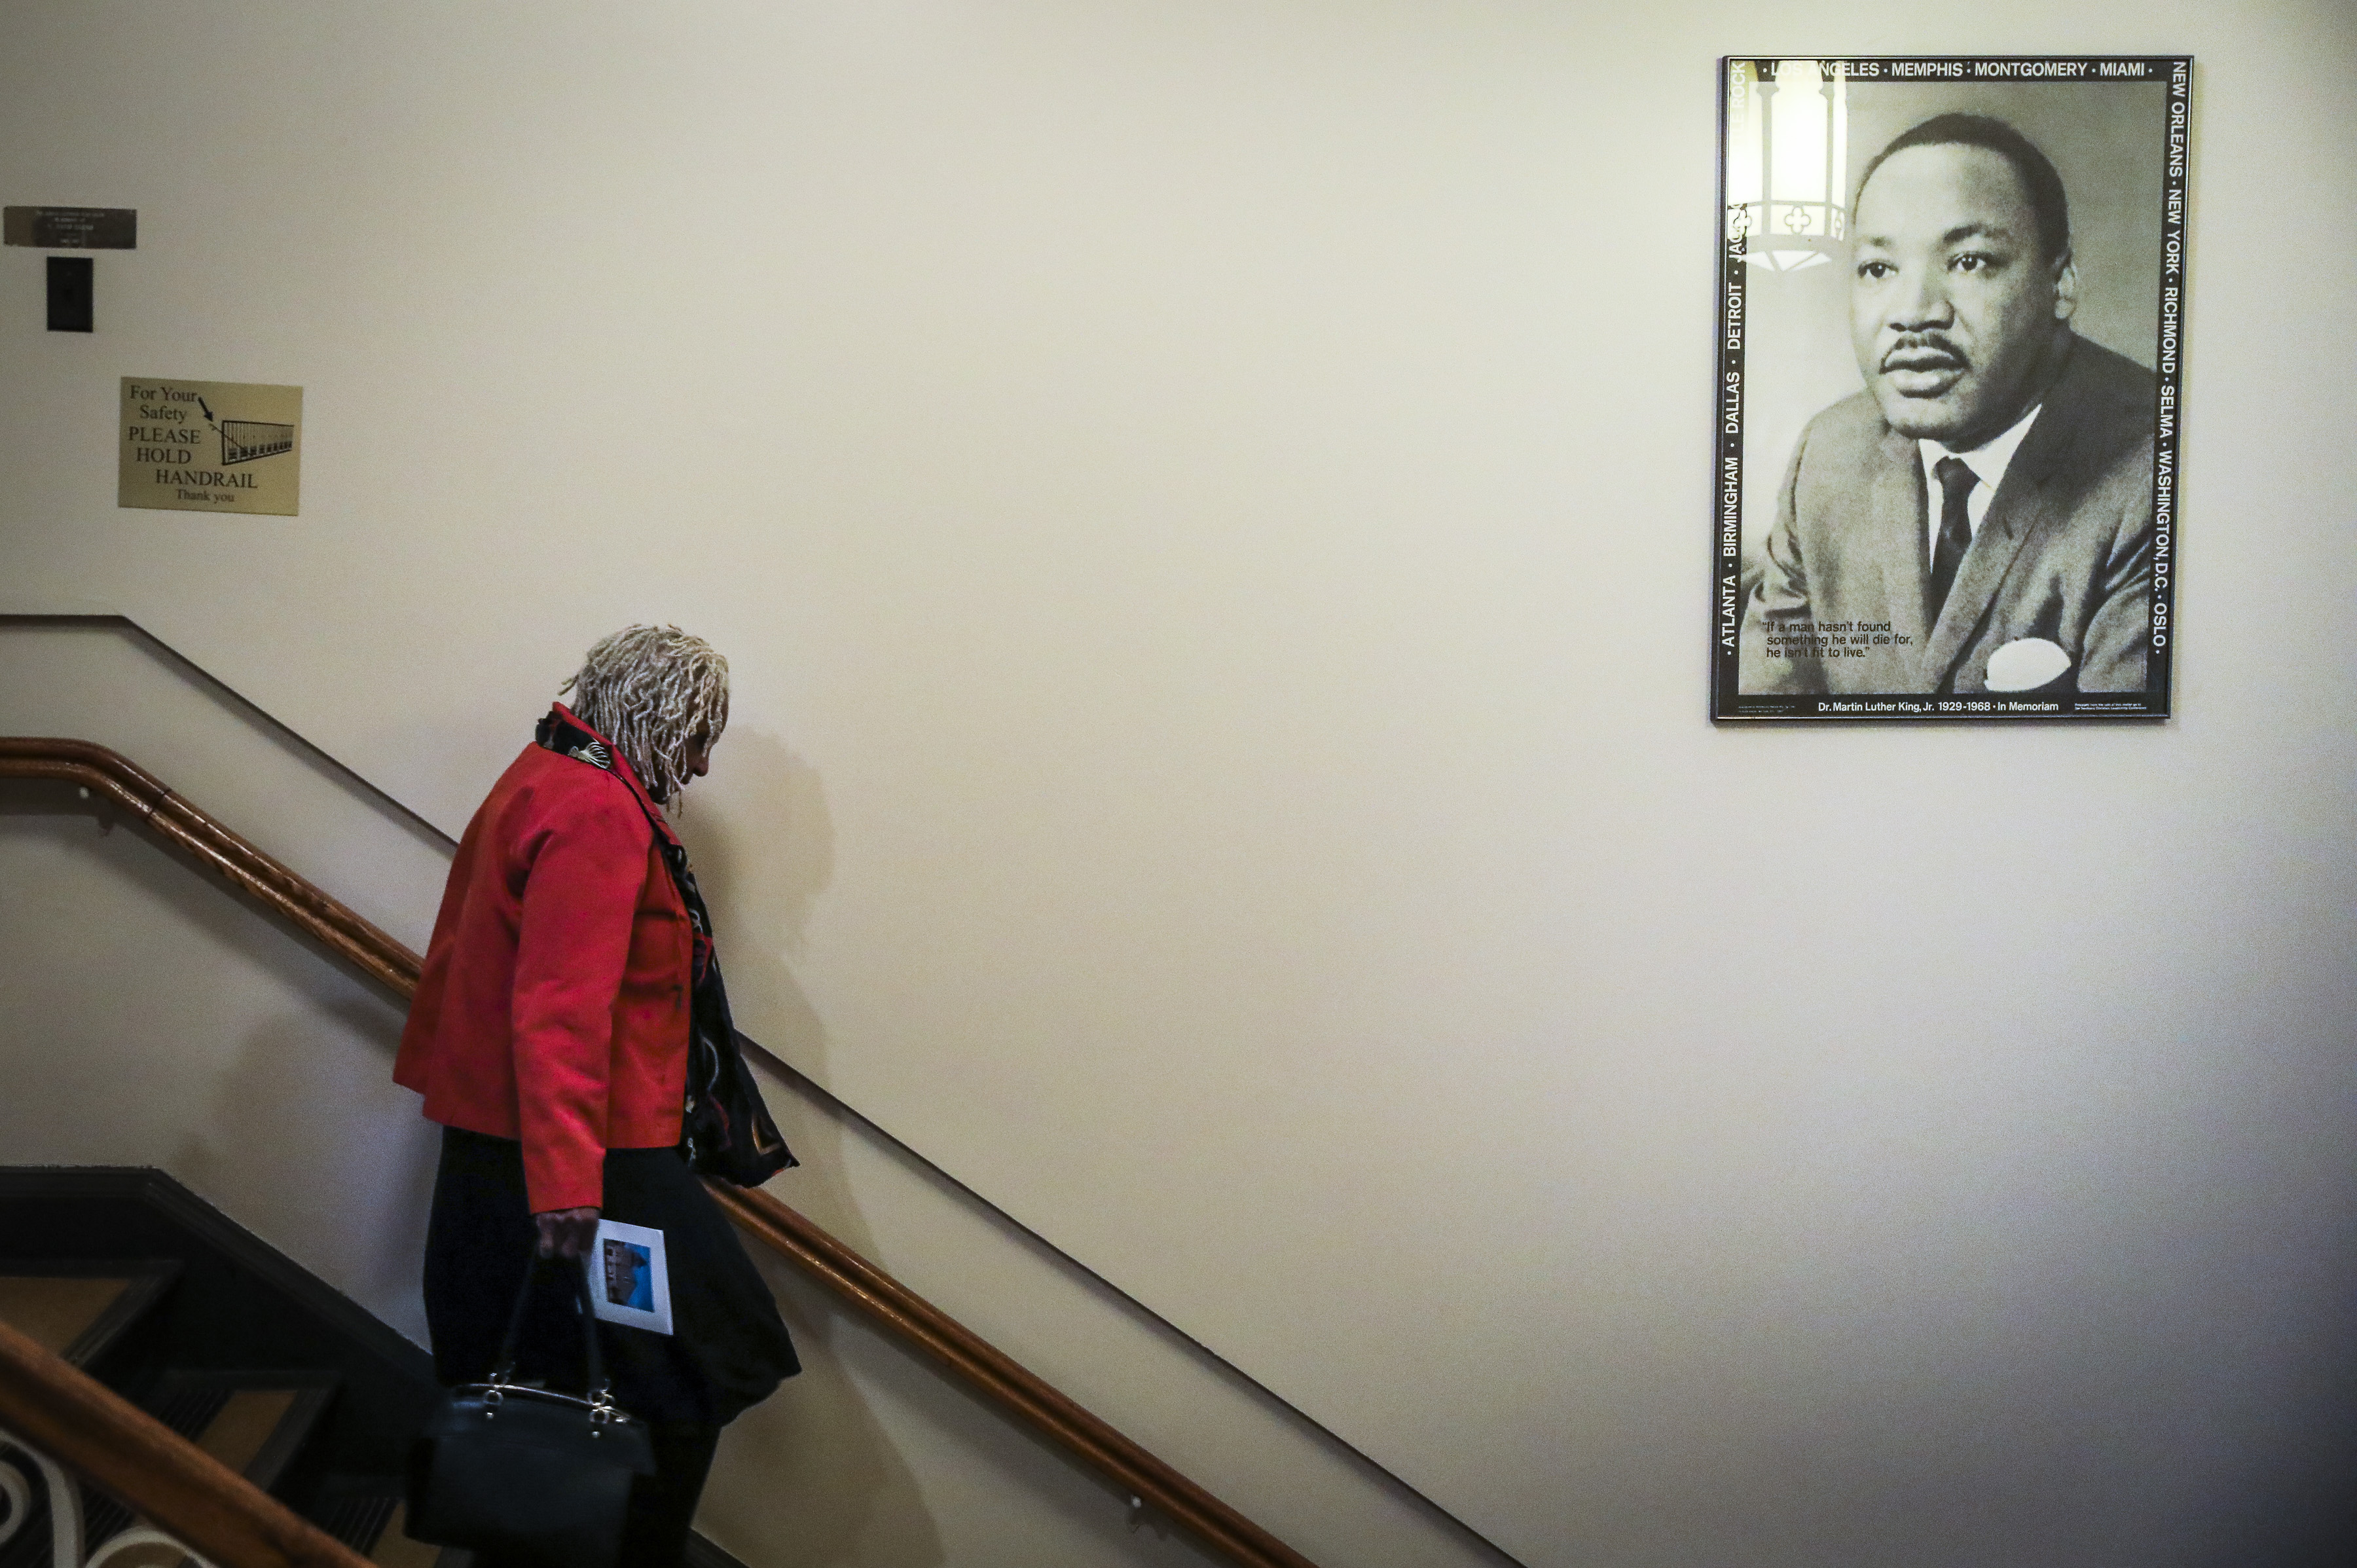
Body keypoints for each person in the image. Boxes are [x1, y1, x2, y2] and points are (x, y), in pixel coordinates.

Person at [396, 625, 798, 1566]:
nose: (698, 767)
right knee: (708, 1356)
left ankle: (563, 1544)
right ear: (655, 715)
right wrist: (570, 1187)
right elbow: (559, 1012)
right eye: (696, 737)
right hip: (585, 1155)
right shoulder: (595, 811)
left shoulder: (547, 772)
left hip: (529, 1146)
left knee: (586, 1364)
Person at [1738, 113, 2157, 696]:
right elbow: (1764, 717)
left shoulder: (2155, 471)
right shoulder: (1828, 457)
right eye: (1878, 268)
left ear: (2059, 285)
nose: (1913, 312)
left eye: (1970, 261)